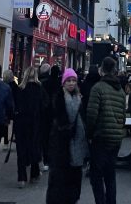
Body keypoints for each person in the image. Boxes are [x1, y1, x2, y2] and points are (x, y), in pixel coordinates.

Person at [85, 56, 125, 204]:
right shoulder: (120, 91)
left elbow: (92, 114)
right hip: (115, 138)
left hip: (101, 137)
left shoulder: (98, 88)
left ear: (102, 70)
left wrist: (89, 134)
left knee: (96, 175)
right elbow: (123, 114)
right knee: (110, 175)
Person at [46, 69, 87, 204]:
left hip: (76, 146)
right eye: (68, 80)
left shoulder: (80, 99)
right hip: (60, 146)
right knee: (59, 181)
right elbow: (55, 120)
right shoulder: (58, 98)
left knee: (73, 180)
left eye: (74, 81)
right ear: (63, 82)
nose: (71, 83)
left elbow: (83, 120)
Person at [12, 67, 45, 188]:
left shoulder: (20, 89)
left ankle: (21, 177)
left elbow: (15, 107)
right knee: (34, 147)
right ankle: (34, 174)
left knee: (21, 150)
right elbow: (44, 108)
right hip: (35, 123)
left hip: (21, 123)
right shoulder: (39, 89)